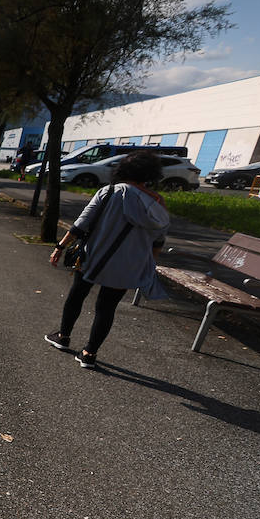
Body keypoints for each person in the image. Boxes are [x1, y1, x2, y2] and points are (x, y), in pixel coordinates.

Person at [45, 151, 170, 368]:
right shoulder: (157, 202)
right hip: (128, 265)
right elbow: (158, 240)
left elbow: (81, 224)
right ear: (150, 174)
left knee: (77, 295)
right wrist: (149, 265)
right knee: (107, 308)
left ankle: (63, 337)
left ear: (122, 170)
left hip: (94, 257)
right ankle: (89, 354)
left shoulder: (110, 191)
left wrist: (59, 247)